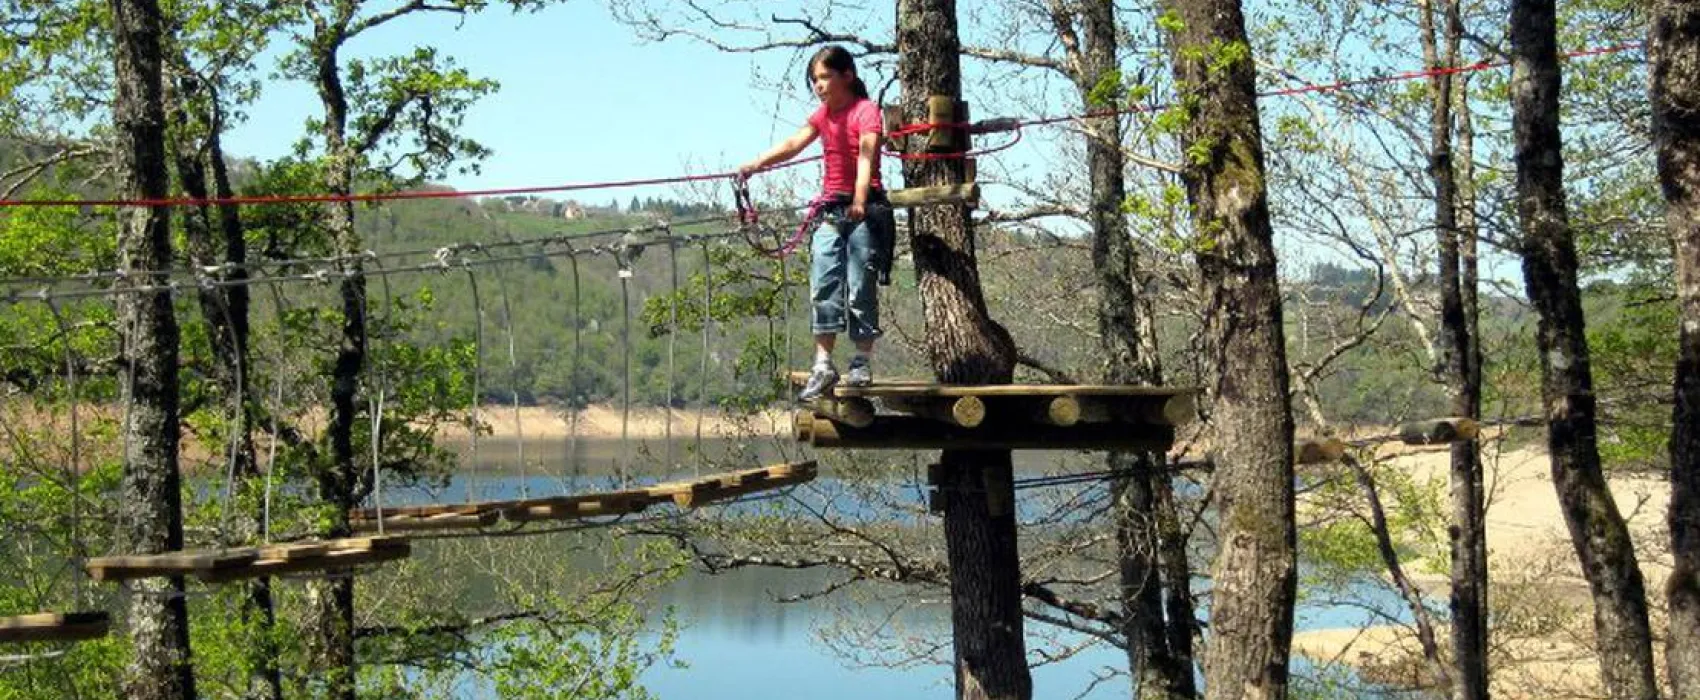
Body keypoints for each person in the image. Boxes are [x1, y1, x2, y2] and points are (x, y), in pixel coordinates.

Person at [740, 45, 892, 401]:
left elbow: (867, 153)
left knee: (859, 285)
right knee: (823, 283)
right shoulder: (823, 116)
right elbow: (795, 143)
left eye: (825, 77)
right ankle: (823, 362)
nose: (819, 85)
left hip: (863, 210)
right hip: (831, 213)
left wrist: (859, 197)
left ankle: (861, 360)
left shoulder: (865, 111)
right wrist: (757, 163)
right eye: (814, 80)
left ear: (847, 76)